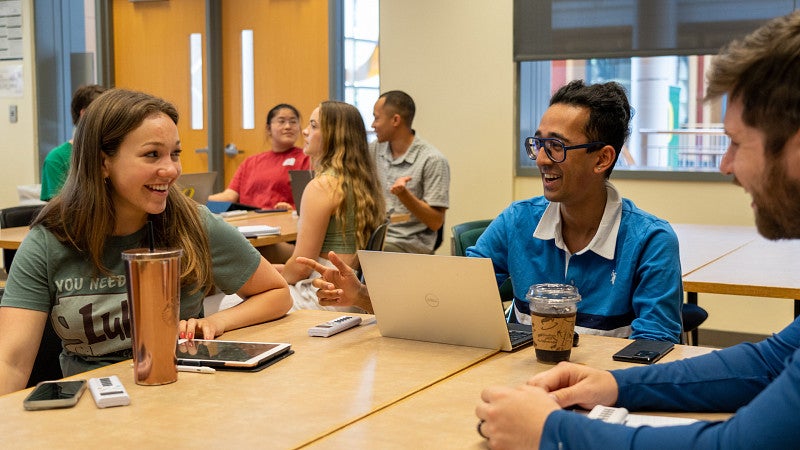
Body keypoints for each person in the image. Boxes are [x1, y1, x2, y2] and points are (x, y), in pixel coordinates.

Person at [475, 11, 800, 449]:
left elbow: (736, 443)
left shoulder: (648, 237)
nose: (726, 166)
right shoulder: (520, 217)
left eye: (736, 142)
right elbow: (768, 361)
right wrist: (612, 385)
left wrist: (552, 431)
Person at [299, 81, 683, 343]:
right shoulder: (518, 222)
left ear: (602, 159)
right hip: (511, 390)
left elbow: (652, 353)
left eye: (558, 147)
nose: (542, 159)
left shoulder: (650, 241)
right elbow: (450, 302)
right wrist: (364, 296)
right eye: (538, 144)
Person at [0, 89, 292, 395]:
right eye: (152, 154)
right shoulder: (49, 240)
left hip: (182, 396)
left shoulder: (192, 223)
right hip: (94, 405)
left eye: (175, 153)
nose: (172, 169)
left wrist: (219, 322)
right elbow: (11, 362)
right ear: (103, 163)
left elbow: (276, 292)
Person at [276, 101, 385, 311]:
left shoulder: (322, 186)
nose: (305, 131)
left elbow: (301, 268)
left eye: (314, 126)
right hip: (352, 296)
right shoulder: (365, 183)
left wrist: (274, 278)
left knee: (222, 303)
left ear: (334, 138)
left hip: (322, 295)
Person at [370, 90, 450, 254]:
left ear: (395, 120)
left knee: (365, 254)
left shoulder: (432, 160)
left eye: (377, 118)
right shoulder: (374, 149)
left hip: (408, 244)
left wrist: (405, 196)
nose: (373, 125)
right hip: (375, 236)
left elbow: (436, 222)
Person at [208, 103, 311, 210]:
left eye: (293, 122)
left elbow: (308, 201)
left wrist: (292, 209)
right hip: (247, 221)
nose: (288, 126)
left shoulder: (306, 159)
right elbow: (229, 196)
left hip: (282, 219)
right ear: (268, 128)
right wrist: (197, 199)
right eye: (281, 121)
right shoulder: (250, 162)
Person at [40, 84, 107, 201]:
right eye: (105, 112)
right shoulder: (57, 159)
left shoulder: (113, 152)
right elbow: (59, 211)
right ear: (84, 114)